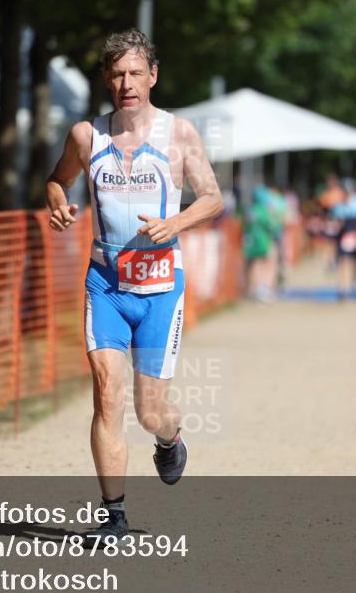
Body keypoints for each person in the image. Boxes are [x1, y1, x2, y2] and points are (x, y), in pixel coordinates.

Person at [45, 29, 223, 544]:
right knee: (106, 396)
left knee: (149, 412)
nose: (127, 83)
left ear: (153, 76)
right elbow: (58, 179)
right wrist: (57, 201)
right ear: (106, 78)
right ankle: (113, 515)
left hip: (162, 287)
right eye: (117, 74)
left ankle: (170, 438)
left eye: (135, 73)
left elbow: (212, 197)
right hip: (106, 285)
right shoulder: (87, 136)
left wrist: (177, 224)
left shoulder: (180, 135)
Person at [328, 176, 356, 299]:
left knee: (355, 263)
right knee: (343, 262)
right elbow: (333, 222)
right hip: (342, 237)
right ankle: (343, 289)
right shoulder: (338, 205)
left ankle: (355, 286)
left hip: (355, 235)